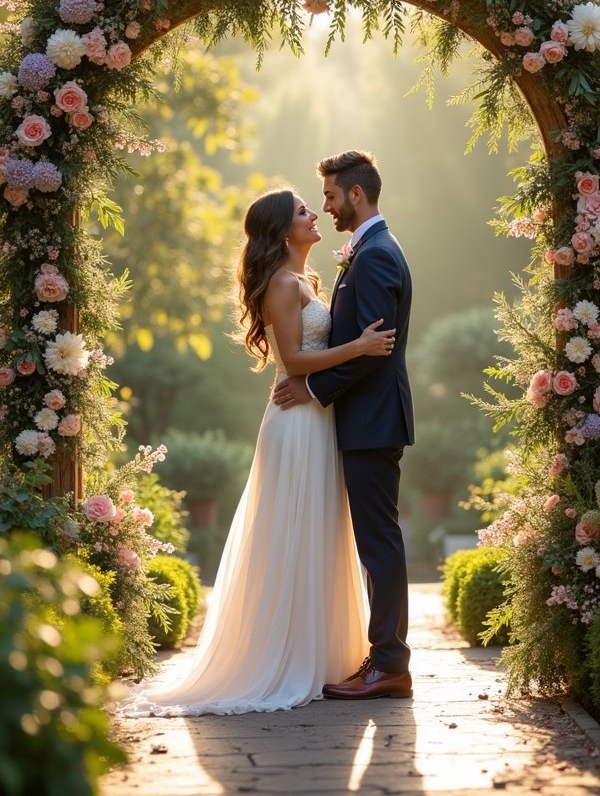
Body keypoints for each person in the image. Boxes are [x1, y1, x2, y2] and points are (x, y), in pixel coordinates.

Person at [121, 187, 396, 717]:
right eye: (301, 211)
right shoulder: (281, 284)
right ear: (281, 230)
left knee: (318, 530)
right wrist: (359, 347)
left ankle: (320, 656)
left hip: (317, 417)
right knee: (291, 531)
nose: (314, 214)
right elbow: (293, 360)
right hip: (296, 422)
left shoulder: (307, 282)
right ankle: (284, 660)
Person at [273, 150, 415, 700]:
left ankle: (389, 665)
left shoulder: (376, 255)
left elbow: (372, 350)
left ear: (356, 194)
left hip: (372, 419)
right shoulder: (370, 250)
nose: (327, 207)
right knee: (375, 540)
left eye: (330, 197)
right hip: (364, 419)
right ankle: (383, 661)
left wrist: (311, 389)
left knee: (378, 542)